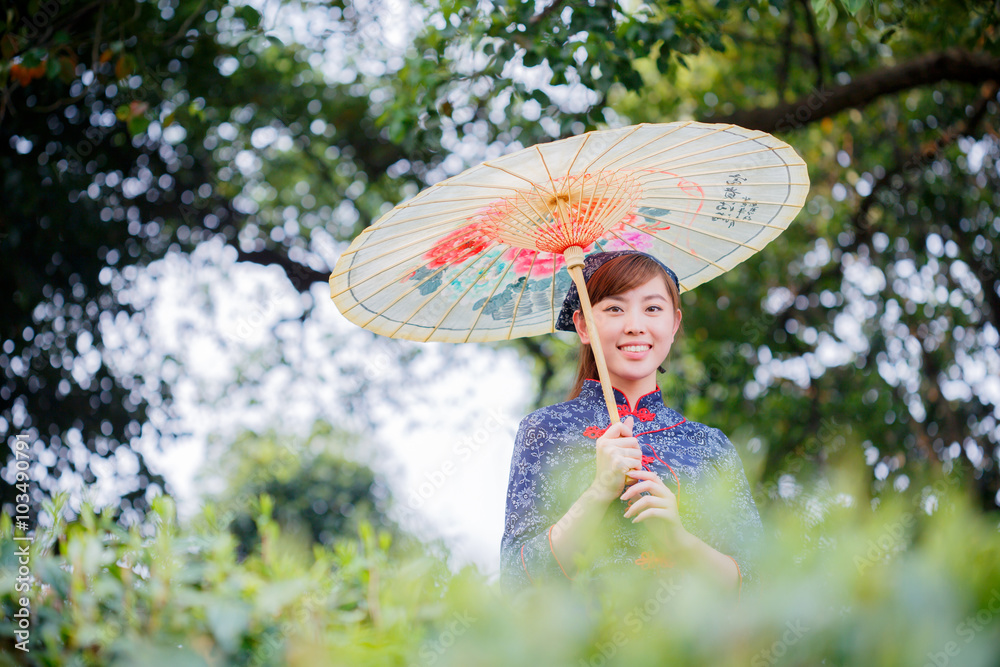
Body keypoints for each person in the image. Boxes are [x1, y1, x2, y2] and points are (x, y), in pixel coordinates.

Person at [500, 250, 763, 598]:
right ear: (583, 326)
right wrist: (599, 490)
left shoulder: (709, 444)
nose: (635, 324)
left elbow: (761, 582)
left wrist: (678, 540)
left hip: (694, 649)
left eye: (652, 308)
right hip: (576, 647)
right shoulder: (545, 430)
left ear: (674, 323)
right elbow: (515, 580)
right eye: (614, 308)